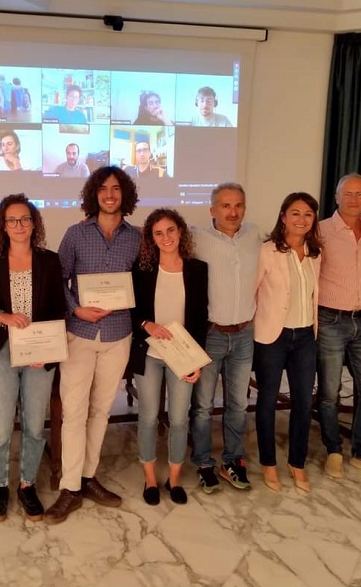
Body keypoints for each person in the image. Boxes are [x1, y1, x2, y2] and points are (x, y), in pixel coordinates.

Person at [44, 166, 141, 524]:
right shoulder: (76, 234)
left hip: (118, 335)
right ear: (94, 194)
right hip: (80, 333)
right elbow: (58, 280)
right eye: (103, 189)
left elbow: (141, 284)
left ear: (124, 194)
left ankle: (88, 478)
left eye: (116, 188)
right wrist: (76, 309)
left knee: (101, 411)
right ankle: (69, 488)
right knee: (74, 412)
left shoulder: (137, 237)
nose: (109, 194)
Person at [0, 194, 66, 522]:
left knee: (35, 425)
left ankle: (27, 484)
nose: (19, 225)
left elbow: (58, 307)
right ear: (3, 225)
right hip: (0, 350)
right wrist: (1, 316)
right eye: (12, 220)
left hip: (39, 353)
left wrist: (46, 349)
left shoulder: (49, 261)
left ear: (34, 223)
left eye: (25, 218)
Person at [129, 209, 208, 505]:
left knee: (178, 418)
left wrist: (197, 361)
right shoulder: (142, 269)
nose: (166, 237)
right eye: (158, 233)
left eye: (171, 230)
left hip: (183, 356)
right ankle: (150, 478)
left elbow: (200, 318)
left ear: (181, 231)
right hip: (149, 354)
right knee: (149, 417)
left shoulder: (197, 269)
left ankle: (174, 479)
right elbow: (132, 311)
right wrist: (146, 324)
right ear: (151, 238)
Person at [317, 174, 361, 481]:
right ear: (336, 197)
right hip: (330, 321)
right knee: (329, 393)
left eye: (360, 194)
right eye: (347, 193)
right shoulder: (320, 230)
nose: (353, 199)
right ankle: (333, 450)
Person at [191, 183, 261, 494]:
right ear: (212, 210)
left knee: (238, 404)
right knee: (203, 405)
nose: (233, 212)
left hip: (244, 334)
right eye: (225, 206)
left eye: (238, 205)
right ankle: (203, 463)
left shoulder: (254, 235)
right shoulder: (196, 238)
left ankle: (233, 460)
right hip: (211, 335)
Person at [254, 192, 322, 493]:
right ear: (283, 217)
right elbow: (253, 292)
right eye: (295, 213)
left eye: (308, 214)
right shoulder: (267, 251)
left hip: (305, 335)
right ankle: (268, 463)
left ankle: (297, 462)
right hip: (273, 335)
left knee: (304, 402)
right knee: (268, 400)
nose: (301, 219)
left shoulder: (315, 253)